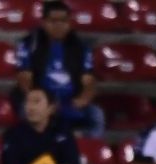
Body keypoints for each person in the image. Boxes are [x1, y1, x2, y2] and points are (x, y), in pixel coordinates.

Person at [14, 0, 102, 137]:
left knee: (96, 115)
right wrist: (39, 102)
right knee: (25, 110)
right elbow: (24, 78)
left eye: (64, 21)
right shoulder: (30, 44)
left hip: (70, 102)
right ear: (43, 22)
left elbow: (88, 81)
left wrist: (83, 99)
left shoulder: (80, 46)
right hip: (41, 101)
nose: (59, 25)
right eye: (53, 21)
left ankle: (85, 151)